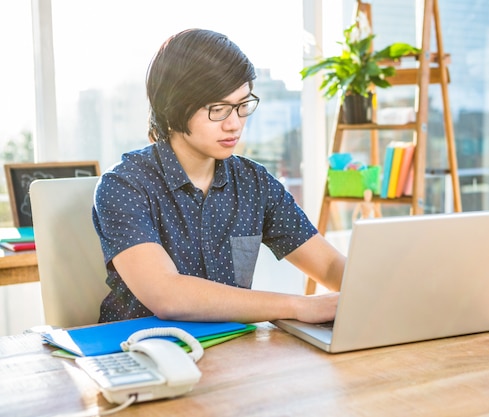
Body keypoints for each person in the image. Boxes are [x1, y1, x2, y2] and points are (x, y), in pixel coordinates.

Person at [92, 28, 346, 324]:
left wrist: (379, 292)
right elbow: (166, 295)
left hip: (232, 351)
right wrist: (298, 306)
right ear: (172, 106)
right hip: (141, 353)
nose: (234, 124)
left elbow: (328, 266)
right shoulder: (124, 185)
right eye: (218, 109)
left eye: (242, 106)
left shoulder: (255, 183)